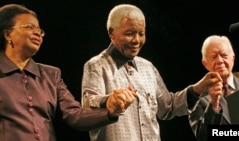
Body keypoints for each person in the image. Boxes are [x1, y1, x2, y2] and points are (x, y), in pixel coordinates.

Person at [81, 4, 222, 141]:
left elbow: (168, 107)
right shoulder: (96, 66)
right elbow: (87, 108)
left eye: (141, 33)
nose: (137, 40)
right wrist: (109, 101)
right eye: (129, 33)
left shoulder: (148, 67)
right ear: (111, 33)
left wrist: (199, 88)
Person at [0, 4, 137, 141]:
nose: (37, 33)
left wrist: (111, 111)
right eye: (29, 27)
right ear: (7, 34)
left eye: (39, 30)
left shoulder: (51, 75)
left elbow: (74, 115)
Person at [189, 35, 239, 141]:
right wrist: (213, 104)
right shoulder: (196, 98)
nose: (220, 60)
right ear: (205, 63)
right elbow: (203, 137)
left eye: (224, 55)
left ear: (233, 58)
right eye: (214, 57)